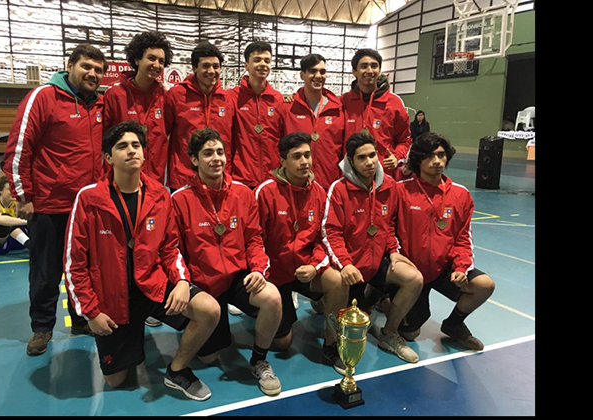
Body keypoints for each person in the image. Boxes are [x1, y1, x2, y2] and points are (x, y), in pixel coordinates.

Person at [63, 121, 220, 400]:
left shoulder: (160, 195)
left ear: (144, 153)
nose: (131, 150)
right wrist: (91, 312)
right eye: (122, 146)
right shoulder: (88, 198)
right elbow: (73, 264)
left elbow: (170, 247)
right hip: (112, 299)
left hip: (152, 287)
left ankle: (177, 370)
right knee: (116, 381)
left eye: (136, 145)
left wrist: (181, 281)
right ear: (108, 157)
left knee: (209, 310)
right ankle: (129, 343)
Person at [3, 43, 107, 356]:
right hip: (50, 206)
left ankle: (81, 317)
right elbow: (18, 149)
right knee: (46, 272)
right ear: (69, 65)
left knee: (86, 268)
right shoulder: (43, 97)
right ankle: (42, 327)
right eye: (86, 66)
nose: (92, 73)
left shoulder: (100, 104)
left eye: (98, 70)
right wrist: (24, 196)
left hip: (88, 206)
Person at [170, 128, 283, 397]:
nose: (216, 159)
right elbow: (173, 250)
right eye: (208, 153)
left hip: (236, 276)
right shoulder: (180, 200)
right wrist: (183, 281)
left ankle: (259, 360)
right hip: (203, 284)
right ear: (194, 160)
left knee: (272, 298)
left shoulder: (243, 193)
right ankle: (198, 324)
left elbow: (254, 238)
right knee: (209, 358)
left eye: (220, 152)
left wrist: (258, 269)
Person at [322, 131, 423, 363]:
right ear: (350, 161)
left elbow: (389, 224)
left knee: (414, 279)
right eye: (361, 157)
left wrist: (394, 251)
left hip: (377, 261)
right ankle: (331, 343)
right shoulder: (339, 189)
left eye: (372, 155)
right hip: (349, 265)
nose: (369, 162)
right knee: (337, 288)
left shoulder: (389, 185)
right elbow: (330, 232)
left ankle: (389, 334)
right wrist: (345, 264)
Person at [253, 132, 349, 375]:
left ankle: (331, 344)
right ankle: (266, 313)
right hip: (274, 276)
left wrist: (315, 266)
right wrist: (263, 273)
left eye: (307, 155)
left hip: (305, 269)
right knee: (283, 343)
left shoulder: (319, 192)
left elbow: (324, 238)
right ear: (282, 161)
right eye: (296, 156)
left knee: (338, 281)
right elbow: (254, 239)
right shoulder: (265, 192)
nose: (304, 161)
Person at [391, 132, 495, 351]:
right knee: (410, 334)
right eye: (429, 156)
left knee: (484, 285)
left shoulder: (460, 194)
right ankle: (381, 296)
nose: (437, 161)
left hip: (443, 269)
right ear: (418, 159)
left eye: (441, 155)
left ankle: (454, 324)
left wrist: (461, 267)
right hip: (412, 273)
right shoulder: (400, 190)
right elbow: (388, 231)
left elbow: (463, 237)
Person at [103, 31, 172, 185]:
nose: (157, 65)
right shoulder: (115, 94)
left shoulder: (165, 96)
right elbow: (104, 137)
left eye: (161, 61)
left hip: (154, 180)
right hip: (120, 178)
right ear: (137, 59)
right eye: (151, 58)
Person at [165, 41, 235, 191]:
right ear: (194, 68)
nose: (212, 71)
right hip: (184, 178)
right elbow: (163, 135)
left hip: (218, 177)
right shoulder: (176, 95)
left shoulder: (227, 99)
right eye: (206, 66)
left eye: (216, 66)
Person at [341, 49, 412, 181]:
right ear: (354, 71)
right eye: (364, 66)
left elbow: (405, 140)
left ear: (379, 70)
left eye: (374, 66)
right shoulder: (343, 102)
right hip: (350, 175)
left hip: (383, 176)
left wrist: (396, 156)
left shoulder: (394, 103)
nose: (369, 71)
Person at [280, 54, 345, 187]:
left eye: (322, 71)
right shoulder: (288, 108)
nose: (318, 76)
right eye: (312, 71)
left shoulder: (338, 109)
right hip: (295, 183)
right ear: (302, 75)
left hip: (328, 182)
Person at [229, 41, 284, 190]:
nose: (263, 64)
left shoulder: (278, 99)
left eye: (267, 60)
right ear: (246, 65)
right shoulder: (232, 97)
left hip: (272, 177)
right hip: (241, 177)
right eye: (257, 60)